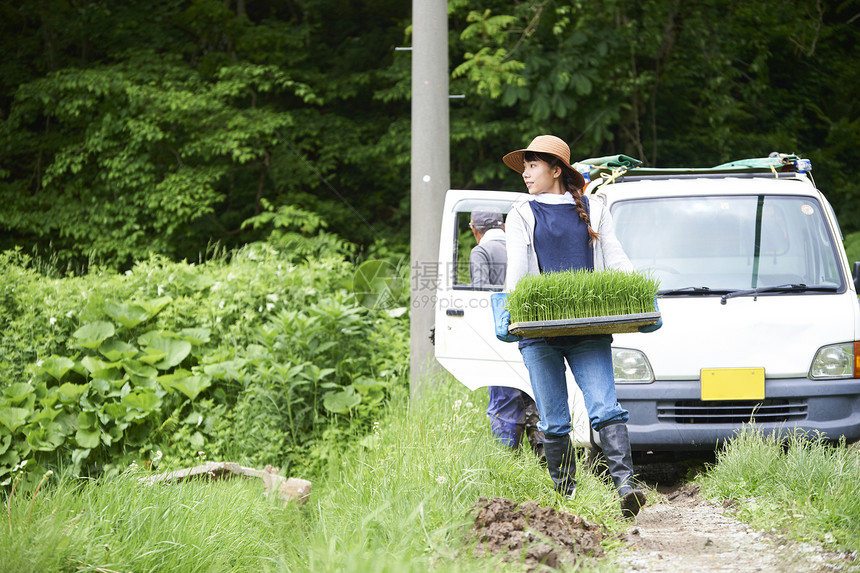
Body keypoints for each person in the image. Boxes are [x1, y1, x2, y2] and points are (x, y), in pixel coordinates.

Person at [499, 134, 648, 518]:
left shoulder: (594, 208)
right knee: (554, 419)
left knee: (605, 407)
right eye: (525, 166)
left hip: (588, 330)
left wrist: (643, 299)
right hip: (538, 334)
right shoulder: (521, 213)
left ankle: (626, 487)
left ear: (556, 169)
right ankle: (567, 498)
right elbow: (516, 270)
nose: (526, 173)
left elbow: (614, 257)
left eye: (533, 165)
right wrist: (507, 308)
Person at [469, 212, 545, 457]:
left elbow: (480, 296)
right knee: (534, 391)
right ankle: (545, 452)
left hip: (500, 336)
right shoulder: (522, 247)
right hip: (533, 331)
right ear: (503, 225)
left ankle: (507, 458)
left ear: (473, 229)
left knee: (504, 396)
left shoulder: (481, 252)